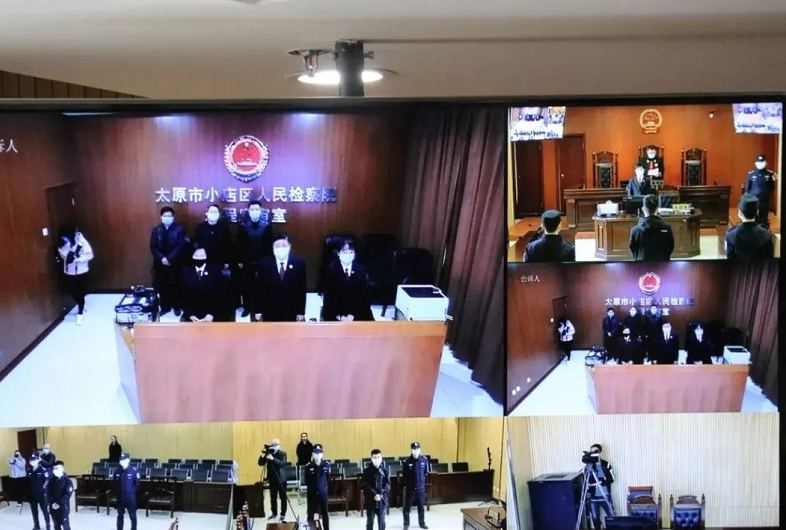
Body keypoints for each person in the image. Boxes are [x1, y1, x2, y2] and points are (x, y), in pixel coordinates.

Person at [195, 204, 235, 321]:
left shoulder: (224, 227)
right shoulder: (200, 227)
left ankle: (220, 312)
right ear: (206, 213)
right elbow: (197, 244)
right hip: (205, 262)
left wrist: (227, 261)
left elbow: (229, 245)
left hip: (220, 263)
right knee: (206, 286)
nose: (213, 214)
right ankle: (206, 310)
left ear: (218, 214)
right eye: (211, 212)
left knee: (220, 287)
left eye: (215, 212)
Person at [256, 234, 307, 322]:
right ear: (273, 248)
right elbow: (259, 289)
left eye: (284, 245)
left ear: (289, 246)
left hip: (291, 310)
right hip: (270, 310)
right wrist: (258, 310)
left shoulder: (299, 263)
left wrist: (301, 312)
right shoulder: (264, 263)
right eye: (277, 246)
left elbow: (301, 290)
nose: (281, 248)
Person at [236, 200, 273, 318]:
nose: (254, 211)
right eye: (252, 209)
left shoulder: (266, 226)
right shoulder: (243, 226)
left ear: (261, 211)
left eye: (257, 209)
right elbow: (239, 245)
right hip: (247, 262)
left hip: (262, 262)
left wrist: (268, 261)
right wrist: (240, 261)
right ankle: (247, 307)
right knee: (247, 286)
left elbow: (269, 246)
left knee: (261, 286)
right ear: (248, 211)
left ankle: (259, 308)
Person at [322, 240, 374, 321]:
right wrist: (340, 316)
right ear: (338, 253)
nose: (348, 254)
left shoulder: (361, 270)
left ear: (354, 254)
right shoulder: (331, 270)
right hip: (336, 313)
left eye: (351, 252)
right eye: (344, 252)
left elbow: (364, 297)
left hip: (357, 312)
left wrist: (353, 315)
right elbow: (329, 299)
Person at [150, 206, 188, 316]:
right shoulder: (156, 230)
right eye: (165, 215)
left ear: (173, 217)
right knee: (162, 285)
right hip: (160, 263)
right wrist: (162, 258)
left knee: (176, 284)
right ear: (161, 217)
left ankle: (177, 307)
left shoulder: (180, 229)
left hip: (175, 262)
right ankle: (165, 307)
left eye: (169, 216)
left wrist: (169, 258)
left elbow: (180, 246)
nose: (167, 217)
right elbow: (153, 247)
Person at [57, 224, 94, 325]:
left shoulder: (81, 241)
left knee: (80, 292)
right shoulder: (63, 242)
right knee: (73, 292)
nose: (64, 238)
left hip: (81, 271)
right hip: (69, 272)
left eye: (65, 237)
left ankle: (80, 313)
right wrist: (66, 255)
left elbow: (89, 255)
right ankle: (81, 303)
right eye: (62, 237)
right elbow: (63, 255)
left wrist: (78, 259)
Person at [725, 194, 775, 259]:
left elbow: (730, 259)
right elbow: (770, 258)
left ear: (739, 213)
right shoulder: (767, 234)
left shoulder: (731, 235)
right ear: (757, 212)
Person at [180, 246, 221, 323]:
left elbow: (220, 295)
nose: (199, 258)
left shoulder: (215, 271)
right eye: (196, 255)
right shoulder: (185, 272)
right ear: (192, 256)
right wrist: (190, 315)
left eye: (202, 255)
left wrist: (211, 314)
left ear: (206, 256)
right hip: (191, 316)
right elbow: (182, 295)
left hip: (212, 315)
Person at [629, 194, 674, 261]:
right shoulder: (666, 228)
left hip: (642, 265)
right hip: (662, 264)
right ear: (657, 209)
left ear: (643, 209)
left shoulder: (635, 230)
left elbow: (633, 249)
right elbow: (670, 248)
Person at [585, 444, 616, 530]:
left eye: (596, 451)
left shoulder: (606, 464)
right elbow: (587, 480)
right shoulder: (589, 466)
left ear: (600, 452)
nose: (594, 453)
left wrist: (603, 480)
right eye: (592, 451)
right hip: (594, 498)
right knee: (595, 518)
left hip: (605, 496)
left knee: (612, 516)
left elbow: (612, 478)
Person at [258, 439, 288, 523]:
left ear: (279, 445)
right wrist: (263, 455)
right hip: (272, 479)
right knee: (273, 497)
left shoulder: (283, 454)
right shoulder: (269, 453)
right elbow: (260, 463)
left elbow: (282, 464)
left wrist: (272, 458)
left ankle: (283, 514)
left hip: (281, 479)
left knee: (283, 497)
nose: (274, 446)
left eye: (275, 444)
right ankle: (274, 513)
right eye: (272, 444)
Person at [743, 154, 777, 228]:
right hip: (753, 201)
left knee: (763, 219)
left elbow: (772, 187)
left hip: (764, 201)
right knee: (753, 218)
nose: (760, 164)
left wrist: (766, 195)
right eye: (759, 162)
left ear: (765, 163)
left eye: (762, 162)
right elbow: (747, 188)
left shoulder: (769, 174)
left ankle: (764, 232)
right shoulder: (751, 174)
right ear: (755, 163)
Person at [402, 442, 429, 530]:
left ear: (420, 449)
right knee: (407, 508)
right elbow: (405, 476)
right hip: (411, 489)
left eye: (417, 449)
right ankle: (406, 524)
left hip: (420, 489)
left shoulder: (424, 460)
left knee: (421, 507)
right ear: (411, 450)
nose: (416, 450)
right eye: (414, 449)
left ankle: (422, 523)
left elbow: (425, 473)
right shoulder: (407, 461)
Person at [361, 449, 390, 530]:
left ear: (381, 458)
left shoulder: (385, 470)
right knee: (370, 522)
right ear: (371, 458)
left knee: (382, 522)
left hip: (382, 500)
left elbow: (388, 485)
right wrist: (374, 494)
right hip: (370, 500)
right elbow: (364, 485)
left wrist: (380, 494)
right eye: (375, 457)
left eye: (378, 457)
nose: (377, 459)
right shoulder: (367, 471)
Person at [304, 443, 330, 530]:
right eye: (315, 452)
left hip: (323, 494)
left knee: (325, 513)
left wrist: (322, 488)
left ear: (322, 453)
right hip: (312, 494)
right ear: (312, 453)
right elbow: (307, 481)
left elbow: (327, 479)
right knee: (310, 514)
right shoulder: (308, 466)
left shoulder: (326, 465)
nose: (317, 454)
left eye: (319, 452)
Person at [114, 453, 140, 530]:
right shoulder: (118, 471)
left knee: (132, 516)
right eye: (121, 460)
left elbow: (137, 485)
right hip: (120, 497)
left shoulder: (134, 471)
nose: (122, 461)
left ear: (128, 460)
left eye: (124, 459)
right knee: (120, 515)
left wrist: (130, 492)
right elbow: (115, 483)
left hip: (130, 498)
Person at [47, 461, 73, 530]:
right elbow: (49, 492)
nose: (54, 470)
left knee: (65, 525)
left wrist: (58, 503)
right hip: (53, 506)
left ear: (62, 469)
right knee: (56, 525)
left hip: (63, 507)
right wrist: (52, 503)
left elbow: (67, 495)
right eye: (54, 468)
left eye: (57, 468)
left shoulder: (67, 481)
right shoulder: (51, 480)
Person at [28, 452, 51, 530]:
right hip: (32, 495)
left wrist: (44, 490)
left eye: (34, 460)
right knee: (34, 511)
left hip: (41, 494)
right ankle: (36, 525)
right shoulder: (29, 470)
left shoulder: (43, 470)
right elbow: (28, 482)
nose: (32, 461)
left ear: (38, 460)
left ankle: (48, 526)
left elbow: (47, 481)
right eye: (31, 460)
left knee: (45, 511)